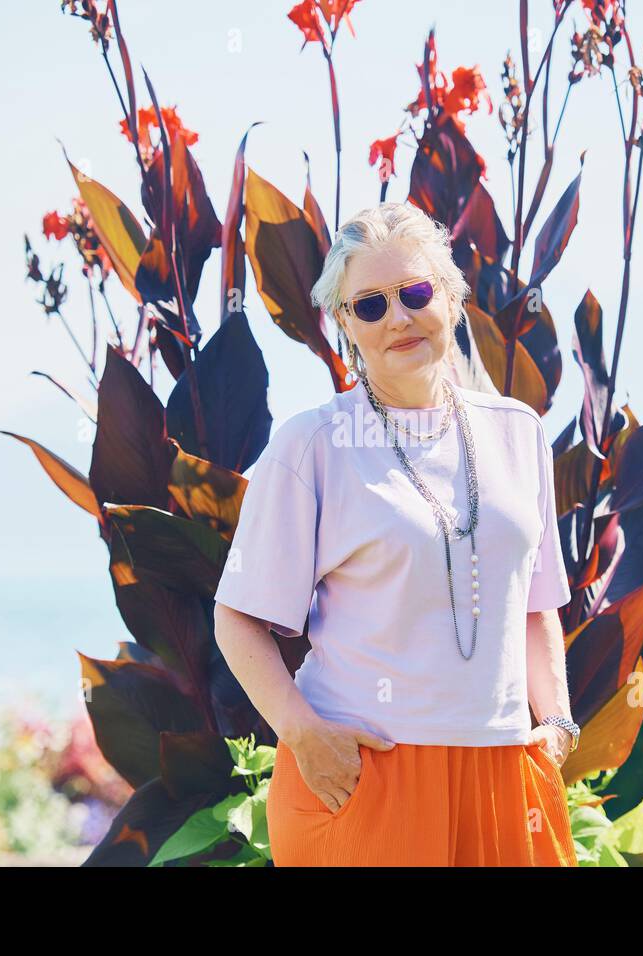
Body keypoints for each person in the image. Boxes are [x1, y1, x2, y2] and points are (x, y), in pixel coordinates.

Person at [213, 201, 579, 866]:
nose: (399, 318)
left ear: (453, 299)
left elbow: (537, 601)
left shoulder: (518, 431)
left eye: (415, 293)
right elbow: (237, 619)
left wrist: (554, 720)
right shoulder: (313, 445)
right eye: (370, 306)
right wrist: (303, 736)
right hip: (364, 775)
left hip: (505, 773)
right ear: (346, 326)